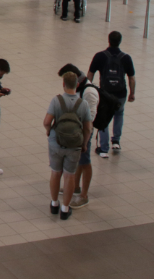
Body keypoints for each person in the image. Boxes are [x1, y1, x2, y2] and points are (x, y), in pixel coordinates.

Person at [43, 71, 93, 220]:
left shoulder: (56, 100)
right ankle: (65, 209)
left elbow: (46, 122)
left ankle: (54, 204)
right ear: (77, 85)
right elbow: (88, 128)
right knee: (69, 175)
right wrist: (84, 143)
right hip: (74, 145)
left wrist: (48, 132)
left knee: (55, 173)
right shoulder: (83, 104)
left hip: (56, 143)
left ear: (63, 84)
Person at [56, 63, 100, 209]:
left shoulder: (89, 92)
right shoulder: (78, 87)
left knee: (85, 162)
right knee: (79, 161)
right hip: (77, 130)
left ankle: (84, 196)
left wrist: (83, 138)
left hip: (84, 131)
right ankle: (75, 186)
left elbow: (90, 118)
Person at [87, 31, 136, 159]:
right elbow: (132, 78)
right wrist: (132, 93)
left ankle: (103, 149)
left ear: (108, 40)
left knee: (104, 117)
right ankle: (116, 141)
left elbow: (90, 74)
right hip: (121, 93)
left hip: (105, 94)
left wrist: (88, 89)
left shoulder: (99, 56)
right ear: (120, 41)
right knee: (119, 114)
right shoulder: (126, 58)